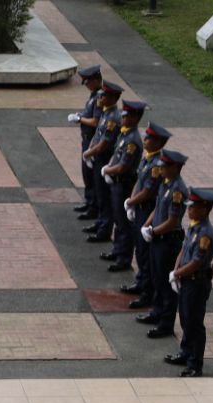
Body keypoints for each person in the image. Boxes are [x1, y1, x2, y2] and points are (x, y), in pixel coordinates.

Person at [164, 188, 213, 377]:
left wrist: (178, 273)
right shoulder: (194, 227)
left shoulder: (205, 235)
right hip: (187, 281)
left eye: (193, 208)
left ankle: (195, 364)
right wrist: (176, 271)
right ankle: (186, 352)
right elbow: (183, 250)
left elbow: (196, 263)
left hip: (197, 283)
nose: (189, 210)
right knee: (186, 318)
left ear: (204, 209)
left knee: (194, 323)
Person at [136, 149, 189, 339]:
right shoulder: (165, 184)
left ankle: (166, 324)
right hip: (158, 238)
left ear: (176, 167)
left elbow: (173, 221)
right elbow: (158, 208)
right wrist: (146, 225)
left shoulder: (177, 190)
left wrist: (153, 231)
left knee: (166, 286)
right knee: (156, 278)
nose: (162, 169)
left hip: (168, 241)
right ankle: (157, 312)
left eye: (165, 166)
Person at [122, 122, 172, 308]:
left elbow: (149, 191)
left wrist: (132, 201)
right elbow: (139, 183)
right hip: (140, 208)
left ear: (159, 142)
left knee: (145, 254)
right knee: (140, 250)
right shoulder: (147, 159)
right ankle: (141, 283)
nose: (146, 140)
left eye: (150, 138)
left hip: (146, 208)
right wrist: (132, 200)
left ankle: (147, 293)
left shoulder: (157, 166)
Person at [100, 100, 146, 272]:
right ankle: (118, 249)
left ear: (135, 118)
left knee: (124, 223)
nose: (123, 118)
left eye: (126, 116)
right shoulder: (124, 134)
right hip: (117, 182)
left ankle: (124, 257)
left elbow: (124, 166)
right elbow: (115, 156)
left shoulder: (133, 140)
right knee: (118, 219)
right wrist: (110, 167)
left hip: (124, 183)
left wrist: (108, 170)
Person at [82, 80, 123, 242]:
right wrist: (91, 148)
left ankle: (104, 229)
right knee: (99, 193)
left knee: (105, 196)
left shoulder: (113, 118)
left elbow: (104, 144)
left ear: (113, 97)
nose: (100, 98)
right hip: (98, 157)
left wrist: (88, 153)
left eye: (104, 96)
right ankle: (100, 222)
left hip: (104, 158)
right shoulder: (106, 113)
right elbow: (97, 135)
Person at [68, 65, 103, 221]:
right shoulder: (94, 95)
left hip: (93, 141)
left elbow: (96, 121)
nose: (87, 85)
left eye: (88, 82)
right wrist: (81, 115)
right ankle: (89, 201)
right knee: (86, 174)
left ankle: (93, 207)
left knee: (92, 174)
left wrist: (80, 119)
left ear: (96, 80)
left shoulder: (100, 98)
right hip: (87, 139)